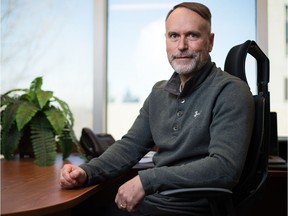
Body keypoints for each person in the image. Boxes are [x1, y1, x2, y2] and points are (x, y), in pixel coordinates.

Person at [60, 2, 255, 216]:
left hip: (190, 210)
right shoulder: (159, 92)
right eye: (174, 36)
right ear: (166, 41)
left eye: (192, 35)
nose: (181, 46)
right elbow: (129, 146)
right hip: (152, 204)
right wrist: (86, 172)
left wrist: (147, 180)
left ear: (210, 42)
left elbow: (223, 168)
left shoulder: (231, 91)